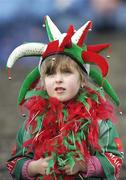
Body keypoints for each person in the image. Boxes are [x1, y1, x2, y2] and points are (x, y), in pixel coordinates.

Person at [6, 16, 124, 180]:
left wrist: (83, 165)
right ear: (43, 80)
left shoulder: (97, 120)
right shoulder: (33, 122)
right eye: (50, 73)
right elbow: (13, 163)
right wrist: (33, 167)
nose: (58, 79)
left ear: (82, 79)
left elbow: (115, 159)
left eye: (66, 72)